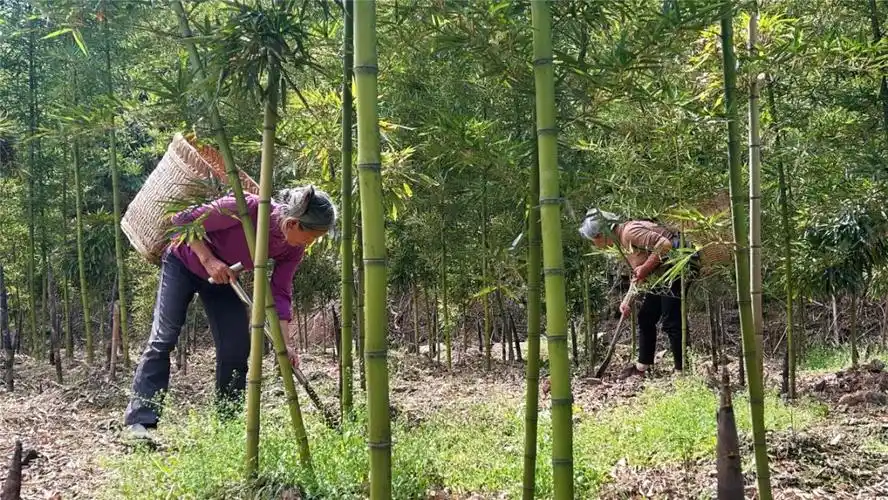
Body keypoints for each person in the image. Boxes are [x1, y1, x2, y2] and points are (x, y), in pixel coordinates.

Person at [123, 185, 336, 439]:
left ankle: (228, 426)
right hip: (183, 262)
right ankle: (140, 421)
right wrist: (209, 260)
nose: (310, 243)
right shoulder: (248, 207)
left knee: (236, 348)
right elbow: (183, 220)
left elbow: (279, 293)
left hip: (224, 279)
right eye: (312, 237)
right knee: (164, 337)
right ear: (293, 224)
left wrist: (285, 344)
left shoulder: (293, 248)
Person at [579, 208, 697, 378]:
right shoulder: (622, 243)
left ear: (601, 235)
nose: (595, 245)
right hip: (661, 272)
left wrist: (645, 268)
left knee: (671, 319)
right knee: (646, 317)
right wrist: (627, 301)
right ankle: (642, 366)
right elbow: (639, 275)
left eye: (593, 241)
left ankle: (682, 370)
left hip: (678, 265)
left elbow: (665, 244)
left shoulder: (629, 232)